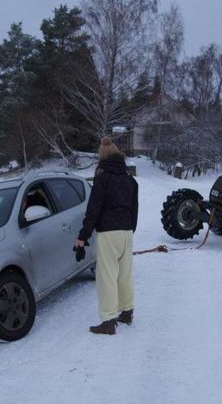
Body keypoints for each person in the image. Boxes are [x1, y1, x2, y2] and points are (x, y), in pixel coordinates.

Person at [75, 137, 138, 335]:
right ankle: (127, 312)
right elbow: (134, 209)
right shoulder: (130, 180)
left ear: (102, 156)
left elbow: (93, 209)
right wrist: (129, 229)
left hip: (109, 233)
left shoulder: (102, 178)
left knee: (107, 277)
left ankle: (109, 320)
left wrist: (83, 236)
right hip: (126, 232)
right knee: (124, 273)